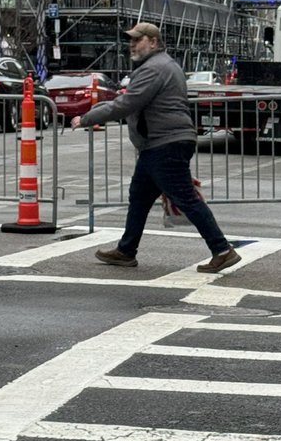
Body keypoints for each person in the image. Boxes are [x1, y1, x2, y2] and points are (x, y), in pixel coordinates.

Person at [72, 22, 240, 273]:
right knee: (139, 197)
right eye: (131, 40)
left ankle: (222, 250)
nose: (132, 44)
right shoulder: (159, 65)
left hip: (166, 143)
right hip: (158, 143)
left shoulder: (155, 68)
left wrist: (86, 118)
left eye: (138, 40)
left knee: (186, 199)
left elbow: (127, 103)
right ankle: (126, 251)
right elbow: (127, 101)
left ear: (153, 42)